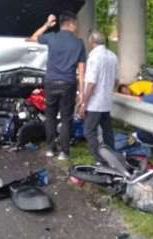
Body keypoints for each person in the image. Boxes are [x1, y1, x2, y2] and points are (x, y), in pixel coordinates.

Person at [29, 12, 86, 161]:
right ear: (71, 24)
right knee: (66, 118)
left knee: (50, 116)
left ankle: (50, 149)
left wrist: (47, 25)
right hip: (68, 83)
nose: (77, 26)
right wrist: (82, 93)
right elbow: (81, 70)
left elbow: (33, 38)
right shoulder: (79, 43)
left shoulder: (52, 37)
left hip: (51, 82)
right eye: (76, 24)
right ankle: (64, 152)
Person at [77, 31, 118, 164]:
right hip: (106, 101)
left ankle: (100, 159)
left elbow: (91, 83)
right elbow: (116, 81)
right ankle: (112, 156)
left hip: (95, 103)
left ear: (91, 43)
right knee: (107, 131)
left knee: (89, 131)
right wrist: (108, 92)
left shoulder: (94, 57)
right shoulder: (113, 56)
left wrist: (84, 103)